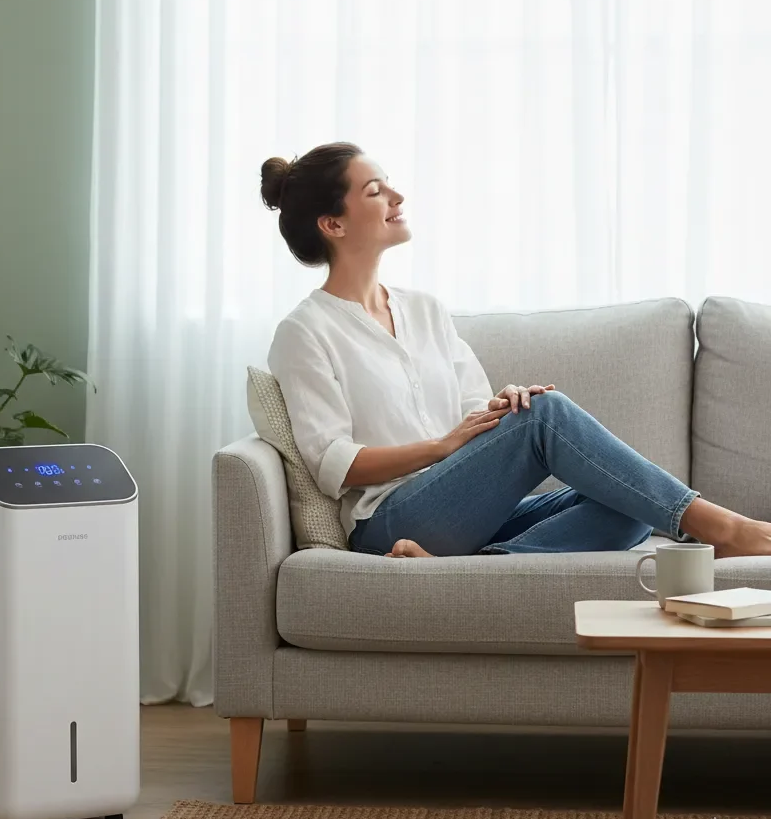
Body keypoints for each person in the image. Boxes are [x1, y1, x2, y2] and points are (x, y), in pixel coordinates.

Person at [261, 142, 771, 559]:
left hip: (470, 513)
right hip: (388, 518)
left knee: (631, 500)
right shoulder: (305, 331)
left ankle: (471, 566)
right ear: (334, 224)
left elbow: (470, 415)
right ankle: (723, 528)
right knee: (546, 414)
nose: (397, 196)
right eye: (376, 191)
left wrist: (501, 409)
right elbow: (334, 464)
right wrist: (442, 447)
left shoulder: (426, 311)